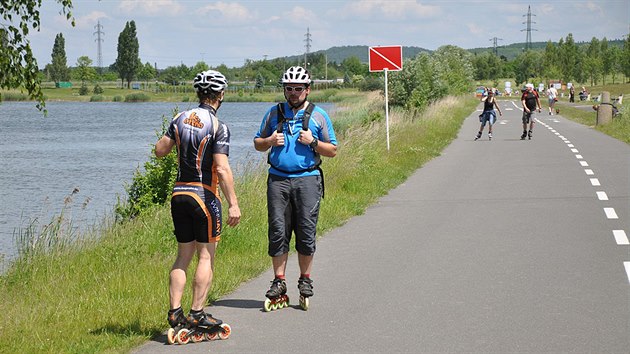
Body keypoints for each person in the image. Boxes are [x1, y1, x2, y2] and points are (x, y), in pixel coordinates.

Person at [155, 70, 241, 341]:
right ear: (221, 95)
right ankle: (197, 313)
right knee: (206, 256)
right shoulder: (218, 126)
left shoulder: (179, 118)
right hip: (203, 196)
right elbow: (222, 168)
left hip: (178, 194)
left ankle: (175, 312)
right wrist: (233, 204)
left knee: (183, 255)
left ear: (198, 93)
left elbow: (159, 150)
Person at [254, 66, 337, 309]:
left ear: (307, 89)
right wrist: (269, 141)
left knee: (306, 230)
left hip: (308, 179)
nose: (293, 93)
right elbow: (258, 142)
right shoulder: (273, 114)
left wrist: (313, 143)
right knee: (278, 230)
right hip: (278, 180)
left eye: (298, 89)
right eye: (288, 88)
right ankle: (279, 281)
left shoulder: (319, 115)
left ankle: (305, 279)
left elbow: (332, 150)